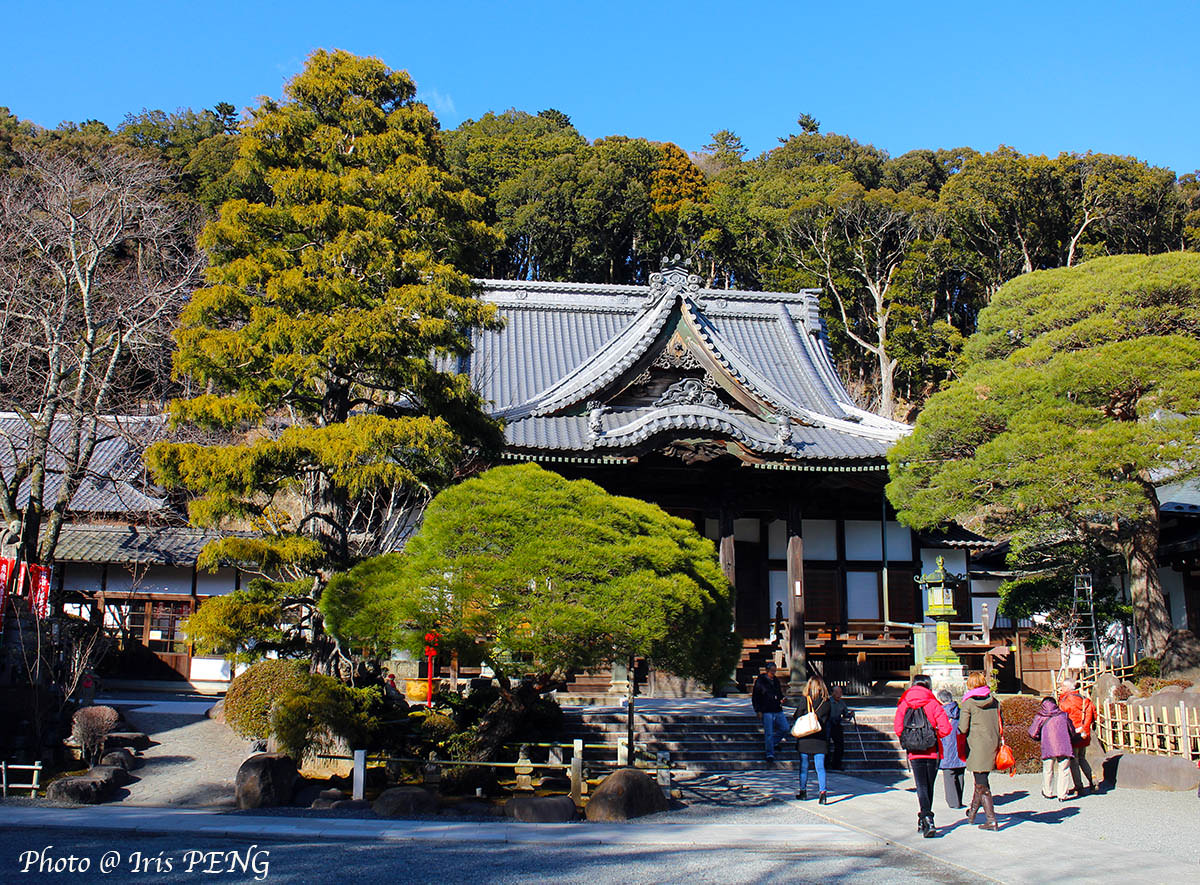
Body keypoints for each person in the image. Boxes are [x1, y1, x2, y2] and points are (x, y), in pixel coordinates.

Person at [894, 674, 952, 837]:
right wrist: (934, 734)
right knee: (929, 785)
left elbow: (898, 728)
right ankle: (927, 817)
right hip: (932, 750)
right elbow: (946, 728)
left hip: (914, 751)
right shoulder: (933, 703)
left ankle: (924, 817)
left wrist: (909, 737)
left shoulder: (904, 704)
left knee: (921, 786)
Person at [959, 670, 1001, 830]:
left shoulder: (968, 703)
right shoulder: (995, 701)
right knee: (980, 781)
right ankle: (972, 814)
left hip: (976, 745)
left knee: (982, 783)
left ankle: (991, 820)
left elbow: (962, 728)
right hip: (992, 743)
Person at [1029, 696, 1076, 801]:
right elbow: (1072, 730)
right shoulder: (1063, 715)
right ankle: (1062, 795)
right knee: (1064, 770)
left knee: (1048, 770)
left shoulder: (1040, 716)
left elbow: (1032, 732)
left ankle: (1047, 792)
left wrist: (1039, 737)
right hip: (1064, 745)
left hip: (1048, 746)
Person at [794, 675, 832, 803]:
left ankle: (803, 791)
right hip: (820, 738)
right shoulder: (826, 702)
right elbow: (827, 720)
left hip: (805, 737)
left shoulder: (806, 699)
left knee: (804, 767)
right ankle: (823, 793)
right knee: (820, 767)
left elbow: (797, 715)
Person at [1057, 677, 1097, 793]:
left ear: (1068, 688)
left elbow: (1061, 718)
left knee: (1074, 760)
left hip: (1073, 734)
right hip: (1084, 733)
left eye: (1063, 687)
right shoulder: (1085, 700)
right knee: (1082, 758)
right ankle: (1093, 779)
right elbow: (1094, 715)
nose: (1061, 689)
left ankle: (1079, 786)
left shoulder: (1066, 701)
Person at [752, 662, 788, 763]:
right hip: (766, 709)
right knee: (769, 732)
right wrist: (758, 710)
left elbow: (779, 693)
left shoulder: (776, 680)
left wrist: (782, 699)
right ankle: (769, 753)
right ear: (767, 671)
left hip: (777, 708)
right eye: (772, 671)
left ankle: (773, 743)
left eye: (774, 671)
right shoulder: (760, 681)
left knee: (785, 728)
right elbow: (755, 697)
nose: (773, 673)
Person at [936, 688, 965, 809]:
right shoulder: (960, 711)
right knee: (960, 773)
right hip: (960, 745)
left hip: (946, 746)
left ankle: (953, 802)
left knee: (949, 775)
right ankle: (959, 799)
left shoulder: (940, 713)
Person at [828, 685, 850, 770]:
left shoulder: (841, 703)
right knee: (827, 744)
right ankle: (827, 763)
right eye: (837, 692)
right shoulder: (828, 701)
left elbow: (845, 714)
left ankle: (836, 764)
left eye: (840, 692)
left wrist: (849, 714)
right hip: (828, 724)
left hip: (837, 724)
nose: (839, 694)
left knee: (840, 745)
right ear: (833, 693)